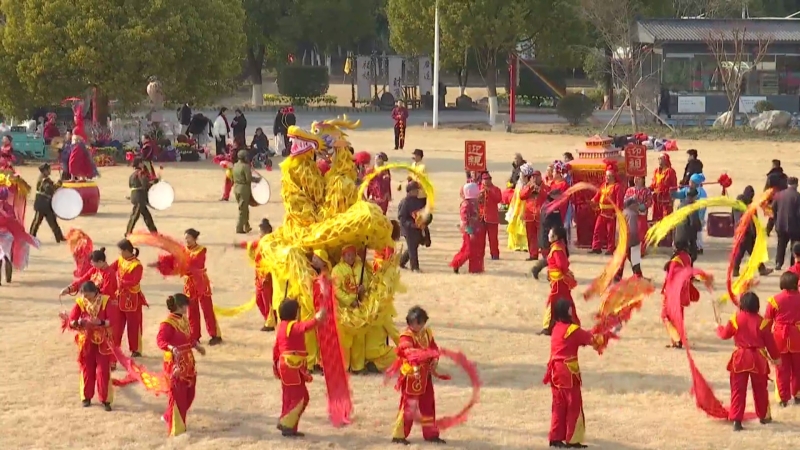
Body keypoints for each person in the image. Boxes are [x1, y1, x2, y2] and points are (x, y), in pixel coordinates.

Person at [543, 298, 603, 448]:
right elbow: (590, 339)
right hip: (568, 373)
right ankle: (572, 439)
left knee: (558, 405)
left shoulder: (556, 328)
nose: (572, 309)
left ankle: (555, 438)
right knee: (573, 405)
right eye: (569, 308)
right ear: (565, 310)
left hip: (555, 372)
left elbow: (580, 338)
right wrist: (605, 329)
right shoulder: (572, 330)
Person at [717, 291, 780, 431]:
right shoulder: (762, 322)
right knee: (760, 390)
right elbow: (770, 342)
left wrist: (719, 328)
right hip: (758, 359)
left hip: (740, 359)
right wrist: (776, 358)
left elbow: (724, 335)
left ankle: (737, 421)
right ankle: (763, 417)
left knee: (738, 390)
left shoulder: (735, 319)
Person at [391, 306, 448, 445]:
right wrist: (426, 355)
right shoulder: (406, 336)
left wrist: (434, 358)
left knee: (428, 405)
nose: (417, 325)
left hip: (425, 375)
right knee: (408, 406)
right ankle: (399, 435)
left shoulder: (426, 333)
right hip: (412, 376)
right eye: (415, 322)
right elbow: (408, 351)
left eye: (420, 322)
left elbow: (434, 347)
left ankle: (431, 434)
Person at [156, 229, 222, 346]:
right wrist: (162, 263)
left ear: (194, 238)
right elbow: (174, 260)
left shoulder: (201, 250)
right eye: (185, 238)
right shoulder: (184, 250)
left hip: (201, 283)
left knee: (207, 310)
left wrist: (179, 262)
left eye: (189, 238)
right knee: (192, 311)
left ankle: (215, 335)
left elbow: (194, 264)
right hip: (189, 284)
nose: (186, 240)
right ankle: (194, 336)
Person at [273, 299, 326, 437]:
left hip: (285, 366)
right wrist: (318, 318)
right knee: (300, 397)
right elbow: (305, 327)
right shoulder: (291, 326)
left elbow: (276, 349)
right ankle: (286, 423)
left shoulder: (281, 327)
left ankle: (289, 427)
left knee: (289, 397)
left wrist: (276, 367)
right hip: (292, 366)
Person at [58, 281, 114, 410]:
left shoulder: (105, 301)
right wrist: (78, 322)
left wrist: (99, 322)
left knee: (103, 370)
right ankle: (86, 397)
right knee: (87, 369)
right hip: (86, 341)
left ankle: (105, 400)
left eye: (89, 296)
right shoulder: (80, 302)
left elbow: (111, 321)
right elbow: (71, 321)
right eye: (85, 296)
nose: (87, 299)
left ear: (95, 292)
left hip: (102, 341)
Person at [157, 293, 206, 436]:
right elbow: (161, 341)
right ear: (180, 306)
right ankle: (176, 428)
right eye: (185, 305)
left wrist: (196, 346)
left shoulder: (183, 319)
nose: (187, 308)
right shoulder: (167, 324)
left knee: (189, 394)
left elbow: (188, 337)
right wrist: (172, 348)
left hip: (188, 362)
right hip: (175, 363)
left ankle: (168, 416)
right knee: (178, 395)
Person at [61, 248, 120, 367]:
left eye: (93, 263)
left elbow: (107, 291)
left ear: (101, 262)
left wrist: (90, 294)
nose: (92, 265)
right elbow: (83, 280)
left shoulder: (110, 274)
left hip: (105, 304)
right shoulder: (94, 270)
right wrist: (69, 289)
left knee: (108, 332)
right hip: (93, 301)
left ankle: (112, 359)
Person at [332, 245, 371, 373]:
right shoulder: (337, 270)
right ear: (343, 256)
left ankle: (358, 366)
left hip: (359, 308)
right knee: (344, 339)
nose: (350, 258)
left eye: (352, 255)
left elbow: (366, 281)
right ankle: (344, 366)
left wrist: (363, 288)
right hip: (343, 310)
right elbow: (337, 290)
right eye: (347, 255)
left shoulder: (361, 267)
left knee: (359, 337)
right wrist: (350, 300)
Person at [764, 271, 800, 406]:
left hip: (779, 338)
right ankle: (798, 394)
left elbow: (766, 323)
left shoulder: (774, 300)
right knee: (798, 369)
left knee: (781, 370)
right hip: (798, 337)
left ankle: (783, 398)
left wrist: (763, 339)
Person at [110, 239, 148, 357]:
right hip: (120, 296)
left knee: (133, 324)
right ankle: (115, 347)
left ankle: (135, 349)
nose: (119, 253)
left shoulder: (136, 265)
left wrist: (121, 283)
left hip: (132, 298)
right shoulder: (121, 260)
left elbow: (134, 281)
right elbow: (111, 269)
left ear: (126, 251)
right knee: (117, 324)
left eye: (120, 251)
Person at [237, 218, 276, 331]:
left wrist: (267, 276)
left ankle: (270, 323)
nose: (259, 234)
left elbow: (272, 261)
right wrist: (240, 244)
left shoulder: (271, 244)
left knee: (267, 300)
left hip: (266, 277)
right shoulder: (260, 242)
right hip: (259, 276)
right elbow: (251, 244)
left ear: (266, 232)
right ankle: (269, 319)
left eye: (260, 232)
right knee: (259, 300)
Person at [661, 240, 699, 348]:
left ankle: (677, 339)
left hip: (674, 293)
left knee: (665, 316)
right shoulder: (687, 257)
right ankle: (677, 339)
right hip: (682, 292)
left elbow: (671, 279)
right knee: (678, 317)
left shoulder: (676, 262)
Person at [540, 226, 577, 336]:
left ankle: (548, 328)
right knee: (567, 302)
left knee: (552, 303)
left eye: (550, 234)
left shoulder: (556, 249)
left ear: (556, 237)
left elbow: (561, 265)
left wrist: (556, 273)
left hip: (558, 282)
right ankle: (572, 324)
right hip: (560, 281)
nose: (548, 236)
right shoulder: (559, 246)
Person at [732, 186, 773, 277]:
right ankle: (761, 269)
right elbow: (752, 221)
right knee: (750, 252)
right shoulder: (749, 206)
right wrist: (755, 233)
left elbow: (733, 218)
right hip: (747, 232)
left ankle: (737, 270)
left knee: (743, 252)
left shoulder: (736, 204)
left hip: (739, 231)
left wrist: (734, 229)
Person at [450, 182, 485, 274]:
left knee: (477, 251)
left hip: (477, 230)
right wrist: (470, 232)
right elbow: (464, 220)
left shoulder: (474, 202)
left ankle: (476, 269)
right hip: (469, 232)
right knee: (468, 251)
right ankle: (456, 264)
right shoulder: (466, 204)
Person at [589, 164, 621, 255]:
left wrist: (617, 212)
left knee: (610, 232)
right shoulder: (603, 185)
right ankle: (596, 247)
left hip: (611, 213)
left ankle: (610, 249)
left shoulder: (617, 187)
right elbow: (598, 195)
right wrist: (593, 200)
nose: (607, 178)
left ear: (613, 176)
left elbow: (619, 201)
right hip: (602, 212)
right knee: (597, 230)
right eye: (606, 176)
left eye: (609, 176)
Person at [29, 163, 65, 242]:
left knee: (50, 222)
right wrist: (58, 184)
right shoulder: (43, 180)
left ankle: (59, 237)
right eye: (48, 169)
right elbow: (50, 189)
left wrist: (58, 184)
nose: (50, 170)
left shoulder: (44, 178)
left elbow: (51, 187)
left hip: (44, 204)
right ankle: (31, 237)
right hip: (42, 204)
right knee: (37, 222)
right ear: (45, 171)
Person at [673, 174, 707, 255]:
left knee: (698, 233)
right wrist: (673, 192)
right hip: (688, 214)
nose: (689, 182)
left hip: (697, 214)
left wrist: (700, 217)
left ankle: (699, 247)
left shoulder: (702, 193)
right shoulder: (686, 189)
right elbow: (679, 194)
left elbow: (703, 206)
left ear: (695, 183)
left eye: (691, 181)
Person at [520, 170, 548, 261]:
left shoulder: (546, 187)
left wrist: (539, 190)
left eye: (537, 177)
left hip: (541, 215)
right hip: (530, 215)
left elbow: (548, 197)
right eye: (533, 177)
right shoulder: (528, 186)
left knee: (543, 236)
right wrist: (530, 188)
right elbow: (521, 196)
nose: (535, 179)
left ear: (540, 177)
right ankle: (533, 254)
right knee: (531, 236)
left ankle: (545, 255)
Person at [398, 182, 427, 272]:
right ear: (410, 191)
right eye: (415, 190)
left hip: (417, 228)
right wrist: (411, 224)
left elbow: (426, 209)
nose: (417, 192)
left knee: (414, 246)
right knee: (412, 247)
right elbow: (401, 217)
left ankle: (401, 261)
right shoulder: (405, 202)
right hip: (408, 229)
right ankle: (415, 267)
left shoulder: (419, 200)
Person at [772, 177, 800, 271]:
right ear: (796, 185)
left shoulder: (779, 195)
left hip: (781, 224)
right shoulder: (798, 196)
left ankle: (779, 263)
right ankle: (792, 265)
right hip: (795, 226)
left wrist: (776, 220)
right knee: (794, 245)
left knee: (781, 245)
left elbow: (773, 208)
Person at [615, 197, 645, 281]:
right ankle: (638, 276)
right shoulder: (632, 214)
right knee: (634, 259)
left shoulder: (623, 213)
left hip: (622, 240)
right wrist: (636, 240)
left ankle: (617, 276)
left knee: (622, 259)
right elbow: (633, 229)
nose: (637, 206)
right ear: (632, 205)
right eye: (636, 204)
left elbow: (617, 228)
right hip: (631, 240)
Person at [125, 158, 157, 236]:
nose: (143, 164)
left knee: (147, 216)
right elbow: (145, 184)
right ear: (139, 164)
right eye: (142, 162)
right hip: (139, 197)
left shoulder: (132, 174)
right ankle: (128, 233)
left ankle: (154, 233)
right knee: (135, 216)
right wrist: (154, 182)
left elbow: (130, 185)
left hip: (135, 196)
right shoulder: (141, 173)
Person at [624, 176, 652, 256]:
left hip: (641, 215)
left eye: (638, 178)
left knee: (641, 234)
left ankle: (641, 251)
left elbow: (650, 202)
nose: (636, 180)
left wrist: (643, 206)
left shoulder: (647, 191)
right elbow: (625, 202)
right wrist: (631, 199)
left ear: (643, 180)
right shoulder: (629, 190)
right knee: (630, 233)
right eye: (635, 178)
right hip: (631, 215)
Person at [233, 150, 258, 234]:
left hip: (236, 188)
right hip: (244, 189)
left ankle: (247, 226)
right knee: (243, 210)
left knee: (244, 208)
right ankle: (239, 228)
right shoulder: (245, 166)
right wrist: (257, 180)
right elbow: (249, 179)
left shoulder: (235, 165)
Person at [479, 172, 502, 260]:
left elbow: (498, 199)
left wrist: (489, 192)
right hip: (482, 217)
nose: (486, 182)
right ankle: (480, 254)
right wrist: (480, 196)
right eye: (484, 180)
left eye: (487, 179)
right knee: (481, 239)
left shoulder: (496, 189)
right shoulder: (479, 189)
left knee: (493, 238)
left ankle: (495, 254)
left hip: (492, 218)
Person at [650, 153, 678, 222]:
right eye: (658, 159)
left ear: (666, 160)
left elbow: (674, 186)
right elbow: (653, 184)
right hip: (656, 199)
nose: (659, 161)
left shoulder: (670, 171)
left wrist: (672, 199)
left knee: (666, 218)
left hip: (666, 199)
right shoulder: (656, 171)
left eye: (661, 159)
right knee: (656, 218)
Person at [764, 159, 788, 237]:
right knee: (779, 214)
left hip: (773, 198)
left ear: (774, 165)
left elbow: (767, 188)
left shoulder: (771, 177)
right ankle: (777, 230)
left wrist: (765, 198)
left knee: (772, 215)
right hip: (783, 198)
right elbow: (786, 187)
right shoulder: (784, 176)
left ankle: (768, 230)